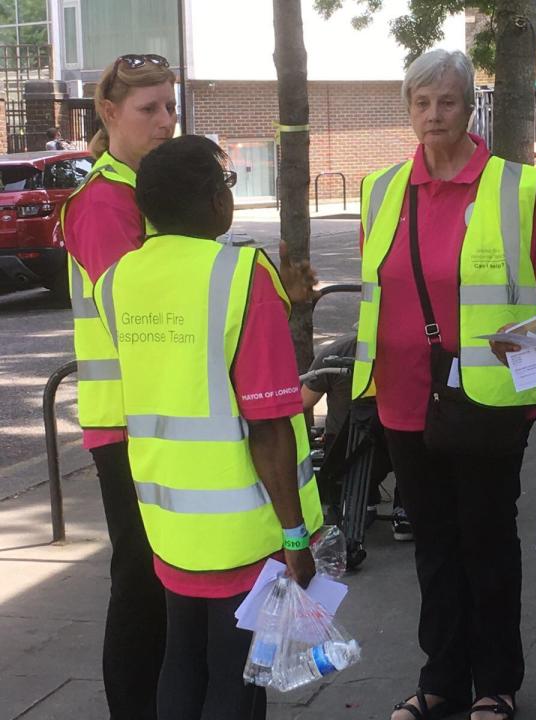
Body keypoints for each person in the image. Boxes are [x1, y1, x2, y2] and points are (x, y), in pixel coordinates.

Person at [353, 49, 536, 720]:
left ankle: (496, 684)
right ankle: (441, 678)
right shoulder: (381, 189)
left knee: (486, 542)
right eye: (421, 102)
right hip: (402, 397)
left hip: (485, 401)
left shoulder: (513, 187)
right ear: (408, 110)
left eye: (446, 101)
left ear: (470, 107)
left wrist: (529, 389)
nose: (433, 114)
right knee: (434, 548)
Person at [93, 134, 324, 719]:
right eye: (227, 183)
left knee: (182, 660)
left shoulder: (117, 281)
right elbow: (269, 426)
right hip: (243, 528)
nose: (231, 194)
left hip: (168, 521)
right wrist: (295, 538)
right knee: (236, 678)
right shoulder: (242, 275)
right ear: (211, 200)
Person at [61, 52, 177, 719]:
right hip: (128, 425)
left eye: (170, 107)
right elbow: (140, 319)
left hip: (155, 420)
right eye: (149, 109)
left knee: (155, 581)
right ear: (109, 114)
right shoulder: (105, 201)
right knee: (139, 582)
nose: (165, 121)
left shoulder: (140, 193)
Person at [301, 333, 412, 541]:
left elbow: (303, 402)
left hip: (348, 448)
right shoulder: (333, 357)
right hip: (370, 443)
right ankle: (400, 508)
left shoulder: (333, 354)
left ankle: (367, 501)